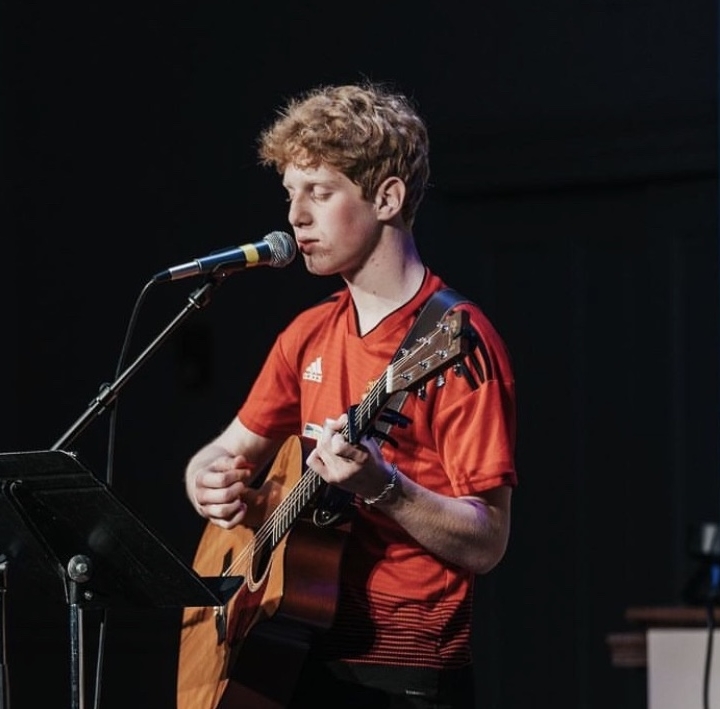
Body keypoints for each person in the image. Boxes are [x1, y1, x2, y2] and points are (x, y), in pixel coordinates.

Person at [181, 81, 517, 709]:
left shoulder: (458, 344)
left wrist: (384, 487)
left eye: (320, 192)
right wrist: (209, 483)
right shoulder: (307, 333)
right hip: (290, 647)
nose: (295, 216)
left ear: (387, 197)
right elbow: (222, 453)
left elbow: (489, 540)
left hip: (404, 672)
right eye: (290, 194)